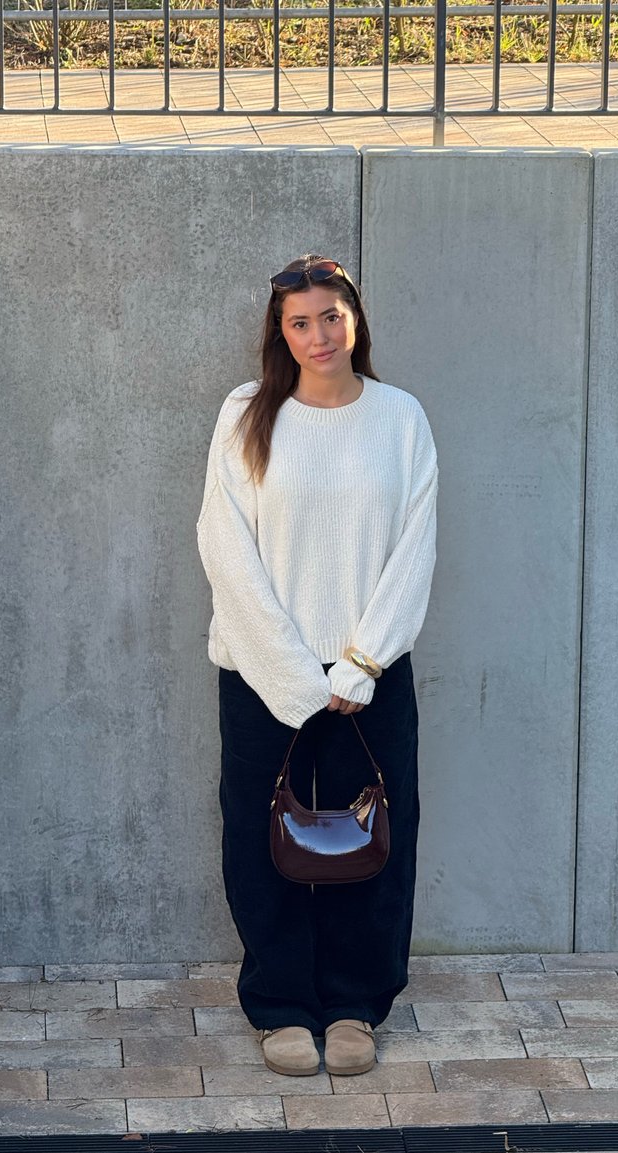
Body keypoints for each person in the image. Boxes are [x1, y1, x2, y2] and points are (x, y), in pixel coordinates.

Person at [196, 255, 438, 1077]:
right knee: (263, 842)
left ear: (355, 318)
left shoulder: (401, 418)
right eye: (300, 322)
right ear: (280, 332)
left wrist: (361, 662)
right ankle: (280, 1004)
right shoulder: (246, 415)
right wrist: (299, 677)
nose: (318, 335)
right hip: (266, 675)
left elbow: (415, 547)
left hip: (371, 676)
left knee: (371, 840)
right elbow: (226, 549)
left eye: (331, 316)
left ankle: (352, 1005)